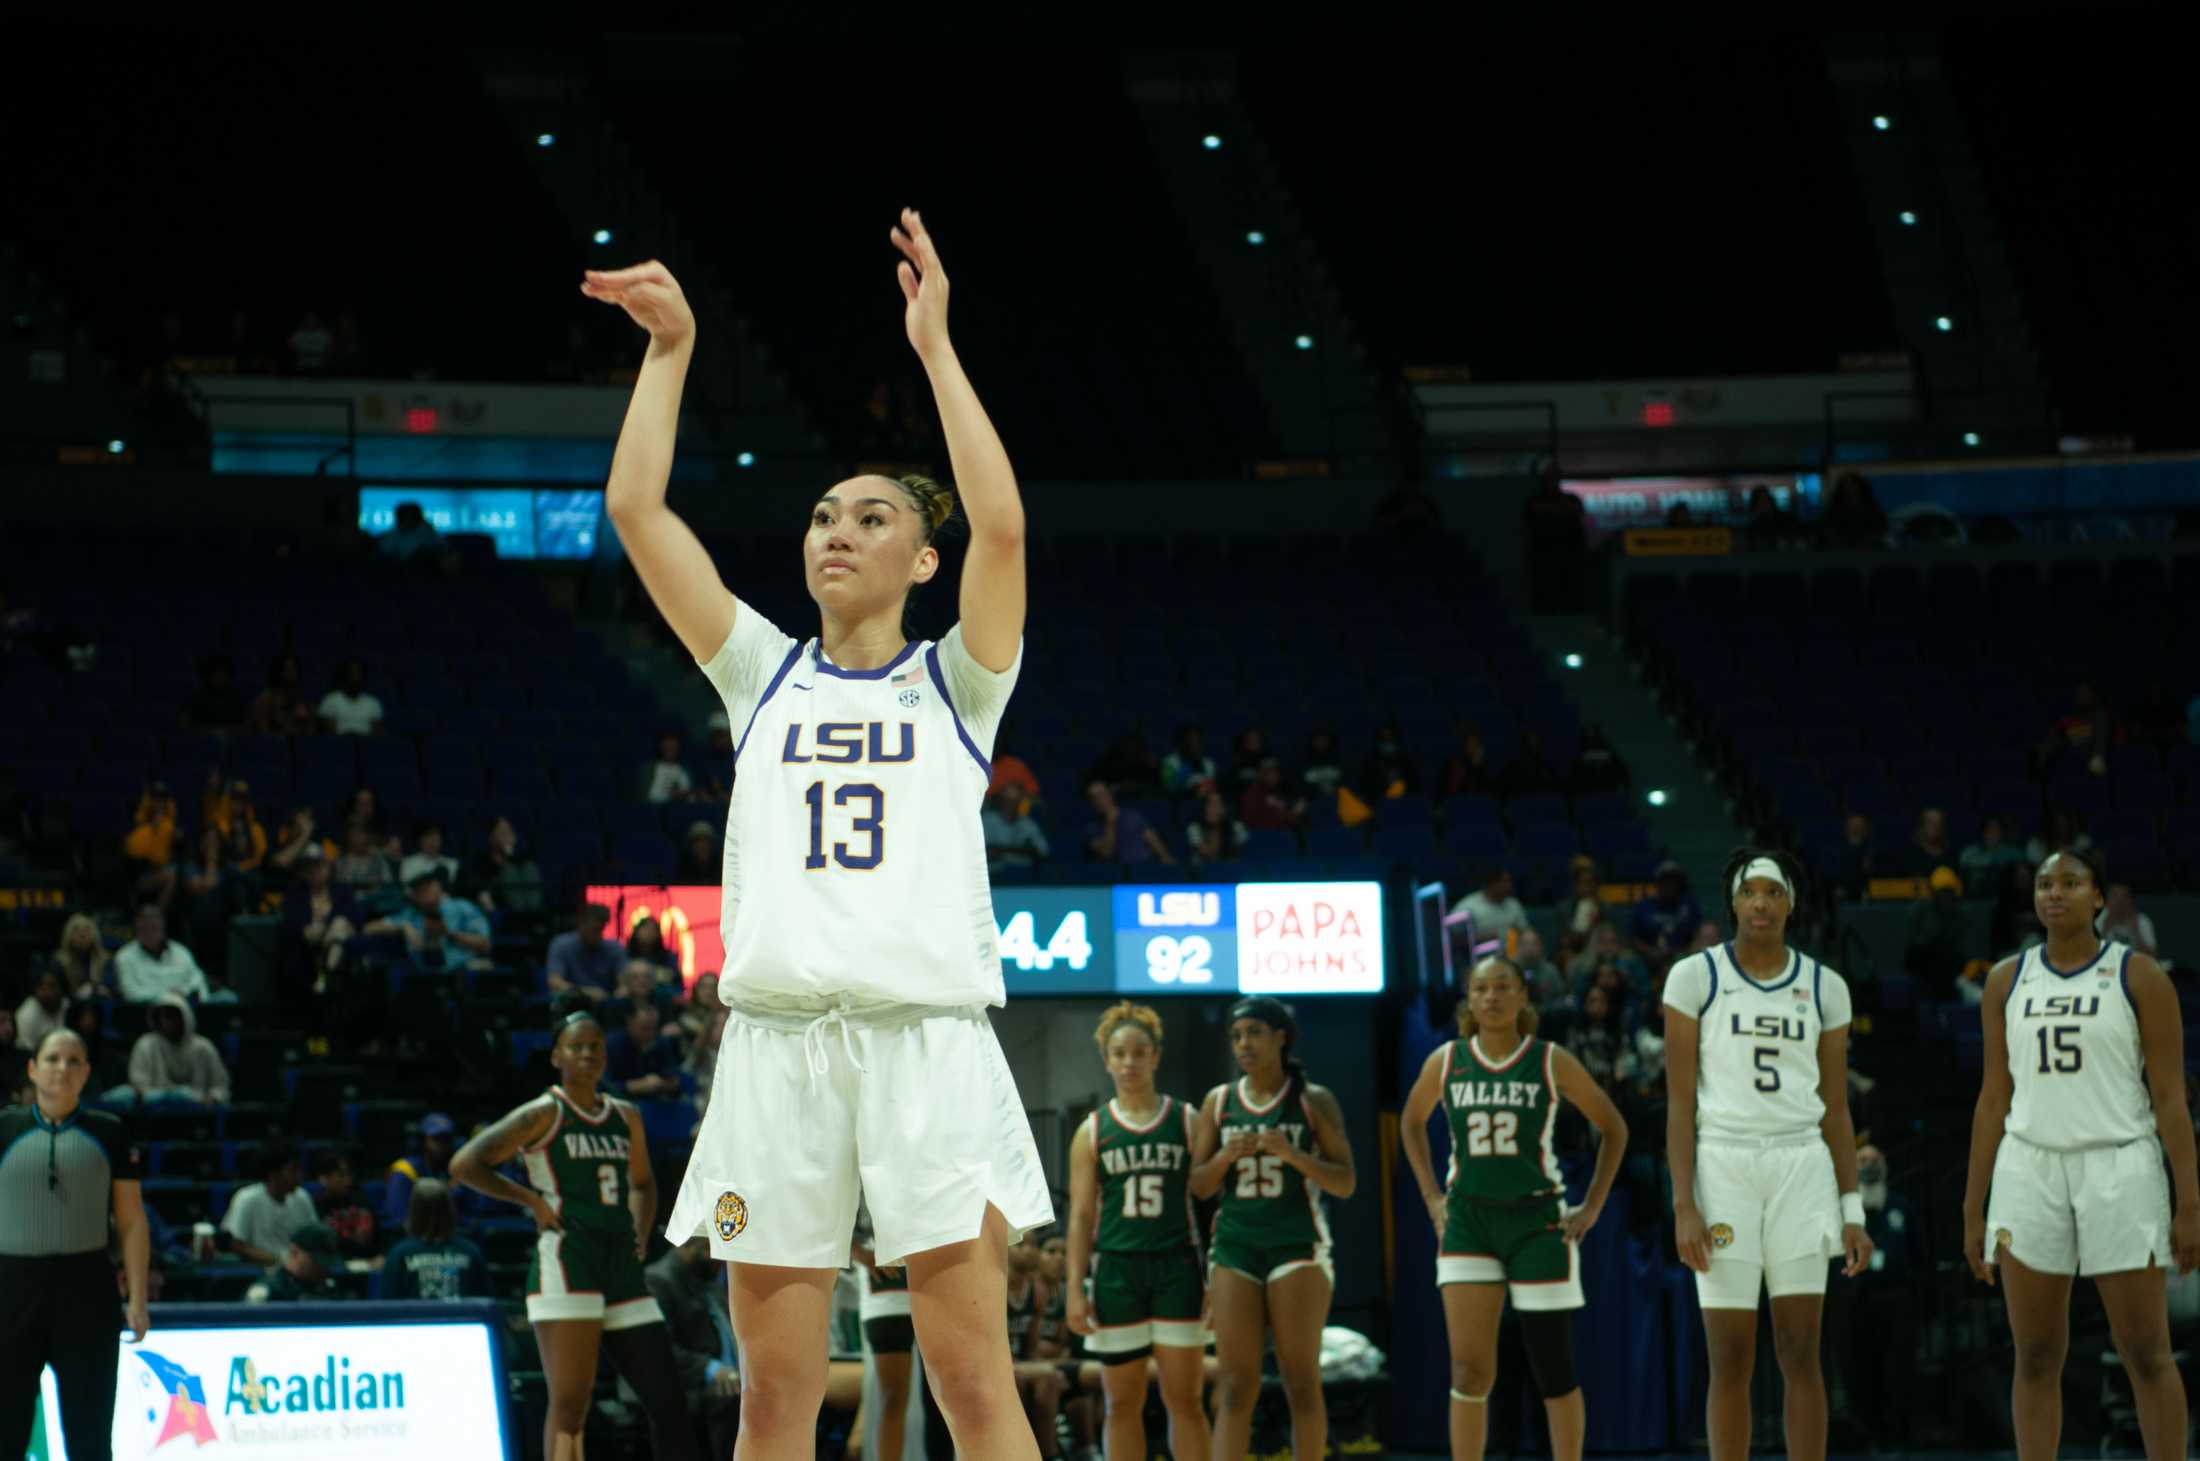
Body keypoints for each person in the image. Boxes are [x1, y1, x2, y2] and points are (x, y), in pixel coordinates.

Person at [596, 214, 1056, 1461]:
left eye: (866, 519)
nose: (834, 533)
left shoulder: (958, 686)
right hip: (780, 1053)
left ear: (920, 557)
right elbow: (636, 509)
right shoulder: (760, 672)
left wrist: (936, 346)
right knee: (772, 1403)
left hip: (924, 1048)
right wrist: (670, 351)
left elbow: (1004, 531)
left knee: (973, 1390)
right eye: (819, 518)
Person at [1961, 845, 2198, 1461]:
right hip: (2029, 1166)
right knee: (2036, 1354)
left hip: (2119, 1163)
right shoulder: (2004, 980)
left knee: (2145, 1351)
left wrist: (2189, 1202)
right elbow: (1992, 1099)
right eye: (2044, 883)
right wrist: (1972, 1207)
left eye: (2070, 882)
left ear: (2098, 897)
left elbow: (2171, 1098)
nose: (2054, 893)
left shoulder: (2139, 975)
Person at [1663, 849, 1872, 1461]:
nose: (1760, 903)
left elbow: (1836, 1107)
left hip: (1801, 1165)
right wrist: (1684, 1204)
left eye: (1772, 892)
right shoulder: (1693, 977)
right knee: (1729, 1354)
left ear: (1790, 903)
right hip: (1722, 1164)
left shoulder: (1824, 984)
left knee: (1800, 1350)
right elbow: (1679, 1105)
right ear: (1733, 901)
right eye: (1749, 892)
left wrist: (1851, 1208)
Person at [1399, 956, 1628, 1461]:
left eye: (1504, 987)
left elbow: (1614, 1127)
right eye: (1482, 988)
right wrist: (1432, 1198)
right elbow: (1410, 1123)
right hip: (1468, 1221)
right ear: (1470, 999)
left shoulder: (1549, 1059)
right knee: (1470, 1371)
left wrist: (1591, 1205)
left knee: (1553, 1367)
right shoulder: (1446, 1060)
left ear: (1524, 997)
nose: (1493, 997)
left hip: (1537, 1222)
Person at [450, 1003, 698, 1461]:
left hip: (622, 1266)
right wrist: (532, 1202)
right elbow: (465, 1165)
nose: (587, 1054)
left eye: (596, 1046)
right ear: (556, 1057)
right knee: (570, 1407)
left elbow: (643, 1183)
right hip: (568, 1262)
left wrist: (642, 1232)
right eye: (576, 1047)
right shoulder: (542, 1114)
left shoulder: (627, 1116)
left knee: (668, 1401)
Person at [1190, 996, 1356, 1461]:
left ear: (1280, 1038)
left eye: (1254, 1034)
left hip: (1297, 1246)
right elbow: (1200, 1186)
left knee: (1300, 1379)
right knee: (1236, 1383)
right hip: (1236, 1246)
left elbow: (1346, 1182)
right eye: (1237, 1036)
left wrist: (1295, 1156)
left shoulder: (1312, 1099)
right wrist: (1224, 1156)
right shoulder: (1218, 1102)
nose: (1244, 1044)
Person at [1064, 1003, 1212, 1461]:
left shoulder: (1187, 1120)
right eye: (1120, 1053)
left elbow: (1213, 1203)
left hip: (1178, 1268)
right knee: (1121, 1402)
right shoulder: (1092, 1131)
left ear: (1156, 1057)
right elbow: (1082, 1216)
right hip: (1116, 1272)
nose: (1129, 1062)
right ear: (1107, 1060)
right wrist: (1074, 1288)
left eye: (1139, 1052)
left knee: (1184, 1400)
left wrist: (1215, 1279)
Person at [0, 1029, 151, 1461]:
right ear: (32, 1068)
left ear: (86, 1072)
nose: (61, 1069)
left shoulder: (110, 1132)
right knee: (5, 1434)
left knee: (90, 1439)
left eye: (72, 1061)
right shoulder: (4, 1128)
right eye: (51, 1059)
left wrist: (137, 1299)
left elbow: (132, 1221)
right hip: (10, 1292)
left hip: (87, 1293)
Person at [644, 1236, 742, 1461]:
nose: (718, 1258)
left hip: (730, 1375)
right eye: (709, 1247)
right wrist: (710, 1368)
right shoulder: (658, 1280)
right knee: (733, 1400)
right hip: (683, 1385)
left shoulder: (707, 1277)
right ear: (686, 1243)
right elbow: (660, 1349)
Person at [854, 1214, 919, 1461]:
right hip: (885, 1294)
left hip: (930, 1279)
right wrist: (859, 1252)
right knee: (893, 1397)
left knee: (946, 1394)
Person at [379, 1178, 491, 1301]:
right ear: (450, 1210)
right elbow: (487, 1303)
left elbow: (387, 1305)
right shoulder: (471, 1252)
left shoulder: (398, 1254)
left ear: (414, 1211)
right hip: (457, 1319)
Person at [221, 1142, 317, 1268]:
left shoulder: (302, 1197)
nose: (300, 1176)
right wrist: (279, 1262)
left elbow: (314, 1239)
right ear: (274, 1174)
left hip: (298, 1271)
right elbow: (237, 1245)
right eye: (293, 1170)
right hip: (258, 1271)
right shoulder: (246, 1198)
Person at [125, 995, 230, 1105]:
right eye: (163, 1016)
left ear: (184, 1017)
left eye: (172, 1016)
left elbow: (220, 1084)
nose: (165, 1021)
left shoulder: (203, 1046)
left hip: (197, 1110)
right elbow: (138, 1082)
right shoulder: (146, 1044)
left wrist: (213, 1098)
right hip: (154, 1110)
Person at [114, 904, 209, 1004]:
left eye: (154, 927)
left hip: (183, 1009)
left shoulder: (181, 952)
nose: (150, 933)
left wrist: (183, 992)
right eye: (145, 928)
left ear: (163, 926)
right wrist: (167, 996)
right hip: (145, 1012)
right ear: (137, 927)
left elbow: (197, 980)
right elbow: (130, 994)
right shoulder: (124, 956)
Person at [381, 1112, 457, 1234]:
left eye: (447, 1139)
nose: (443, 1145)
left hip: (443, 1237)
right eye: (437, 1139)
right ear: (423, 1141)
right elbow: (398, 1218)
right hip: (411, 1237)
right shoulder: (404, 1171)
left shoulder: (453, 1170)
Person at [1903, 866, 1972, 995]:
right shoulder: (1920, 909)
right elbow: (1914, 943)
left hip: (1947, 962)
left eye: (1949, 892)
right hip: (1922, 959)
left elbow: (1959, 948)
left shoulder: (1959, 915)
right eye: (1942, 891)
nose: (1945, 896)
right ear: (1933, 892)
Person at [1628, 862, 1703, 977]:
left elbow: (1697, 934)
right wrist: (1650, 952)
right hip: (1647, 958)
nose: (1669, 885)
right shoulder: (1644, 906)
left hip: (1681, 957)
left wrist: (1683, 952)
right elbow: (1633, 938)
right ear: (1657, 883)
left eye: (1673, 881)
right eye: (1665, 881)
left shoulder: (1690, 906)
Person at [246, 1221, 347, 1303]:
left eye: (328, 1262)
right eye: (317, 1260)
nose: (324, 1267)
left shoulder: (330, 1288)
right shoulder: (269, 1291)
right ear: (294, 1252)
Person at [546, 903, 624, 1003]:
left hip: (605, 1004)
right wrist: (585, 993)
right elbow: (554, 982)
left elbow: (623, 983)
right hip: (572, 1003)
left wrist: (621, 993)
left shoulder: (615, 948)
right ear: (581, 924)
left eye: (601, 929)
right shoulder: (561, 944)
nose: (598, 934)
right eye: (594, 929)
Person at [1087, 780, 1176, 866]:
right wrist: (1110, 823)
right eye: (1093, 797)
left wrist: (1164, 856)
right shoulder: (1092, 828)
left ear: (1109, 795)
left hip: (1145, 866)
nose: (1098, 800)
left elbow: (1151, 837)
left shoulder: (1132, 816)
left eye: (1100, 795)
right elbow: (1106, 853)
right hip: (1118, 872)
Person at [310, 1149, 378, 1261]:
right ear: (324, 1178)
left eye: (348, 1175)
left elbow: (375, 1237)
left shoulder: (361, 1199)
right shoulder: (316, 1206)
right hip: (335, 1264)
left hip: (369, 1262)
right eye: (341, 1176)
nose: (347, 1181)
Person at [1450, 866, 1531, 953]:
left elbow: (1525, 931)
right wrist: (1487, 938)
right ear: (1492, 884)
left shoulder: (1513, 904)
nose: (1510, 885)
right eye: (1505, 881)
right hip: (1480, 959)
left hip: (1512, 957)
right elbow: (1453, 940)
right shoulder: (1467, 906)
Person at [984, 782, 1052, 869]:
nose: (1012, 805)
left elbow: (1043, 851)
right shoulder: (987, 820)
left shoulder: (1028, 824)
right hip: (994, 875)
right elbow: (983, 851)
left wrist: (1001, 851)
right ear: (1000, 801)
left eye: (1016, 801)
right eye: (1008, 801)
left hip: (1023, 875)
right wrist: (1021, 850)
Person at [49, 913, 112, 1003]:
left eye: (87, 930)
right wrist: (77, 995)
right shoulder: (59, 962)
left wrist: (95, 989)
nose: (82, 935)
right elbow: (56, 993)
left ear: (94, 934)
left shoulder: (105, 959)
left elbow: (110, 988)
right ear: (68, 935)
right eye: (76, 930)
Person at [317, 657, 384, 736]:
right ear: (345, 674)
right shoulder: (330, 701)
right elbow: (329, 735)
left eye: (358, 673)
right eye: (351, 672)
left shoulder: (373, 703)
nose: (355, 676)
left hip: (367, 746)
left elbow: (376, 735)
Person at [1959, 815, 2025, 896]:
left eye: (1997, 829)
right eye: (1990, 829)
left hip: (2006, 897)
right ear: (1983, 832)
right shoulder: (1969, 854)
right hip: (1977, 897)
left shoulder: (2013, 854)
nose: (1994, 833)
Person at [1186, 788, 1249, 866]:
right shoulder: (1194, 828)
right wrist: (1215, 831)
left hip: (1230, 869)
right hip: (1203, 871)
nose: (1212, 809)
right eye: (1209, 804)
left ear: (1224, 809)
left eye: (1217, 805)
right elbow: (1209, 855)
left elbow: (1240, 853)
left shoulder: (1237, 827)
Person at [2100, 881, 2160, 959]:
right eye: (2115, 896)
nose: (2119, 901)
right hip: (2106, 967)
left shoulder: (2142, 921)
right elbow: (2088, 956)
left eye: (2124, 896)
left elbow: (2153, 957)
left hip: (2134, 967)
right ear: (2107, 900)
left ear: (2131, 900)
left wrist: (2136, 933)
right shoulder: (2099, 919)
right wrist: (2105, 930)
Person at [15, 968, 69, 1052]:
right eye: (41, 986)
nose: (46, 992)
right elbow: (26, 1051)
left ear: (62, 987)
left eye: (52, 986)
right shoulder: (26, 1014)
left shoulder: (68, 1007)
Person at [1160, 724, 1218, 798]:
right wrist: (1188, 766)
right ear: (1182, 742)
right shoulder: (1169, 762)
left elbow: (1211, 786)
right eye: (1191, 740)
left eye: (1197, 741)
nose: (1194, 745)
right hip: (1177, 802)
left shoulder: (1208, 764)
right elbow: (1169, 787)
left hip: (1203, 800)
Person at [647, 730, 697, 804]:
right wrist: (670, 796)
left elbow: (692, 800)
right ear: (660, 745)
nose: (670, 746)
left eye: (673, 741)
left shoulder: (685, 771)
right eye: (667, 741)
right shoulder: (649, 770)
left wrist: (683, 796)